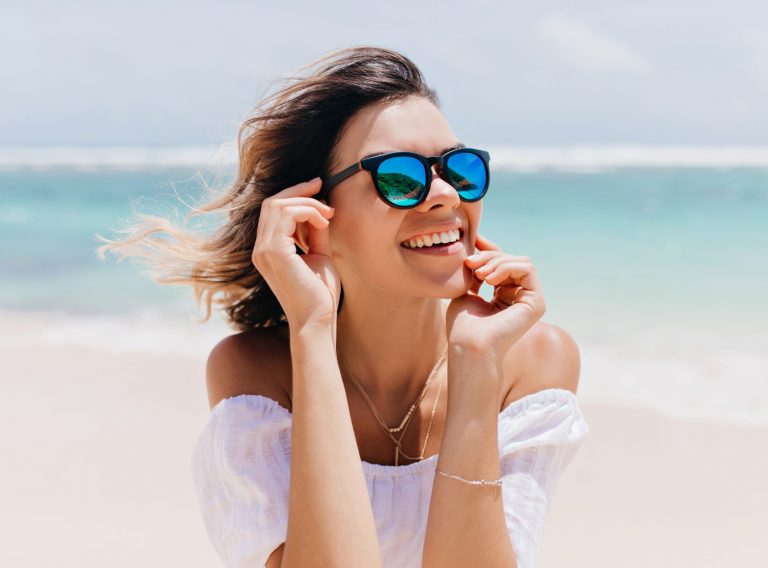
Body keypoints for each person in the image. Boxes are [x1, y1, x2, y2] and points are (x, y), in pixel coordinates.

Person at [96, 45, 589, 568]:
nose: (445, 195)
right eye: (399, 178)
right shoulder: (260, 375)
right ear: (315, 216)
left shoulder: (529, 363)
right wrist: (311, 330)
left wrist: (476, 366)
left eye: (460, 169)